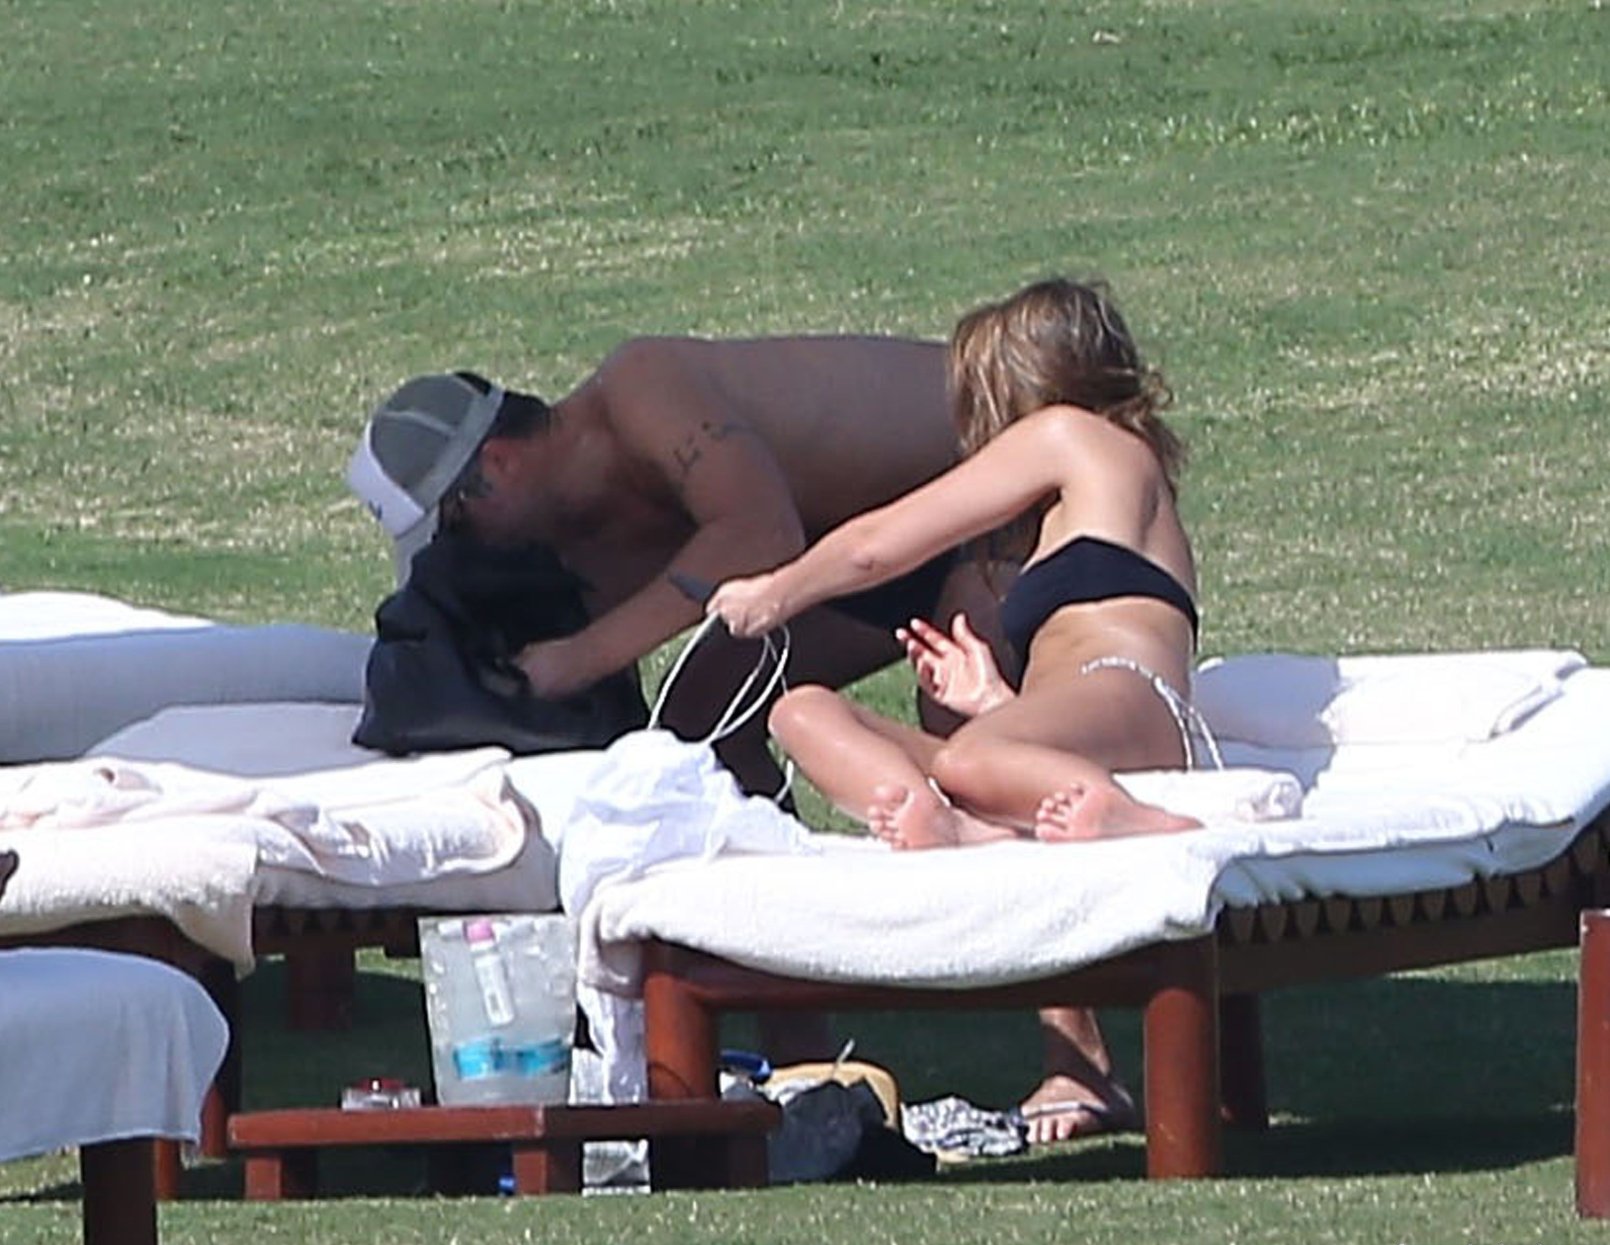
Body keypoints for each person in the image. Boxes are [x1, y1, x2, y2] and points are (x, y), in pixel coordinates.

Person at [345, 334, 1014, 1061]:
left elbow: (760, 531)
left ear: (499, 464)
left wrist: (580, 658)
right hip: (858, 546)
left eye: (456, 524)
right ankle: (799, 1036)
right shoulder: (578, 528)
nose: (462, 549)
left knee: (971, 746)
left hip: (991, 480)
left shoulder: (642, 388)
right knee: (703, 721)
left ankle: (1075, 1056)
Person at [707, 276, 1201, 1141]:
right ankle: (971, 836)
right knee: (802, 713)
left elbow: (879, 545)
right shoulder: (1092, 488)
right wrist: (997, 702)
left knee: (973, 758)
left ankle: (1140, 824)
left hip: (1134, 696)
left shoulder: (1069, 434)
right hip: (1076, 721)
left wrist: (773, 594)